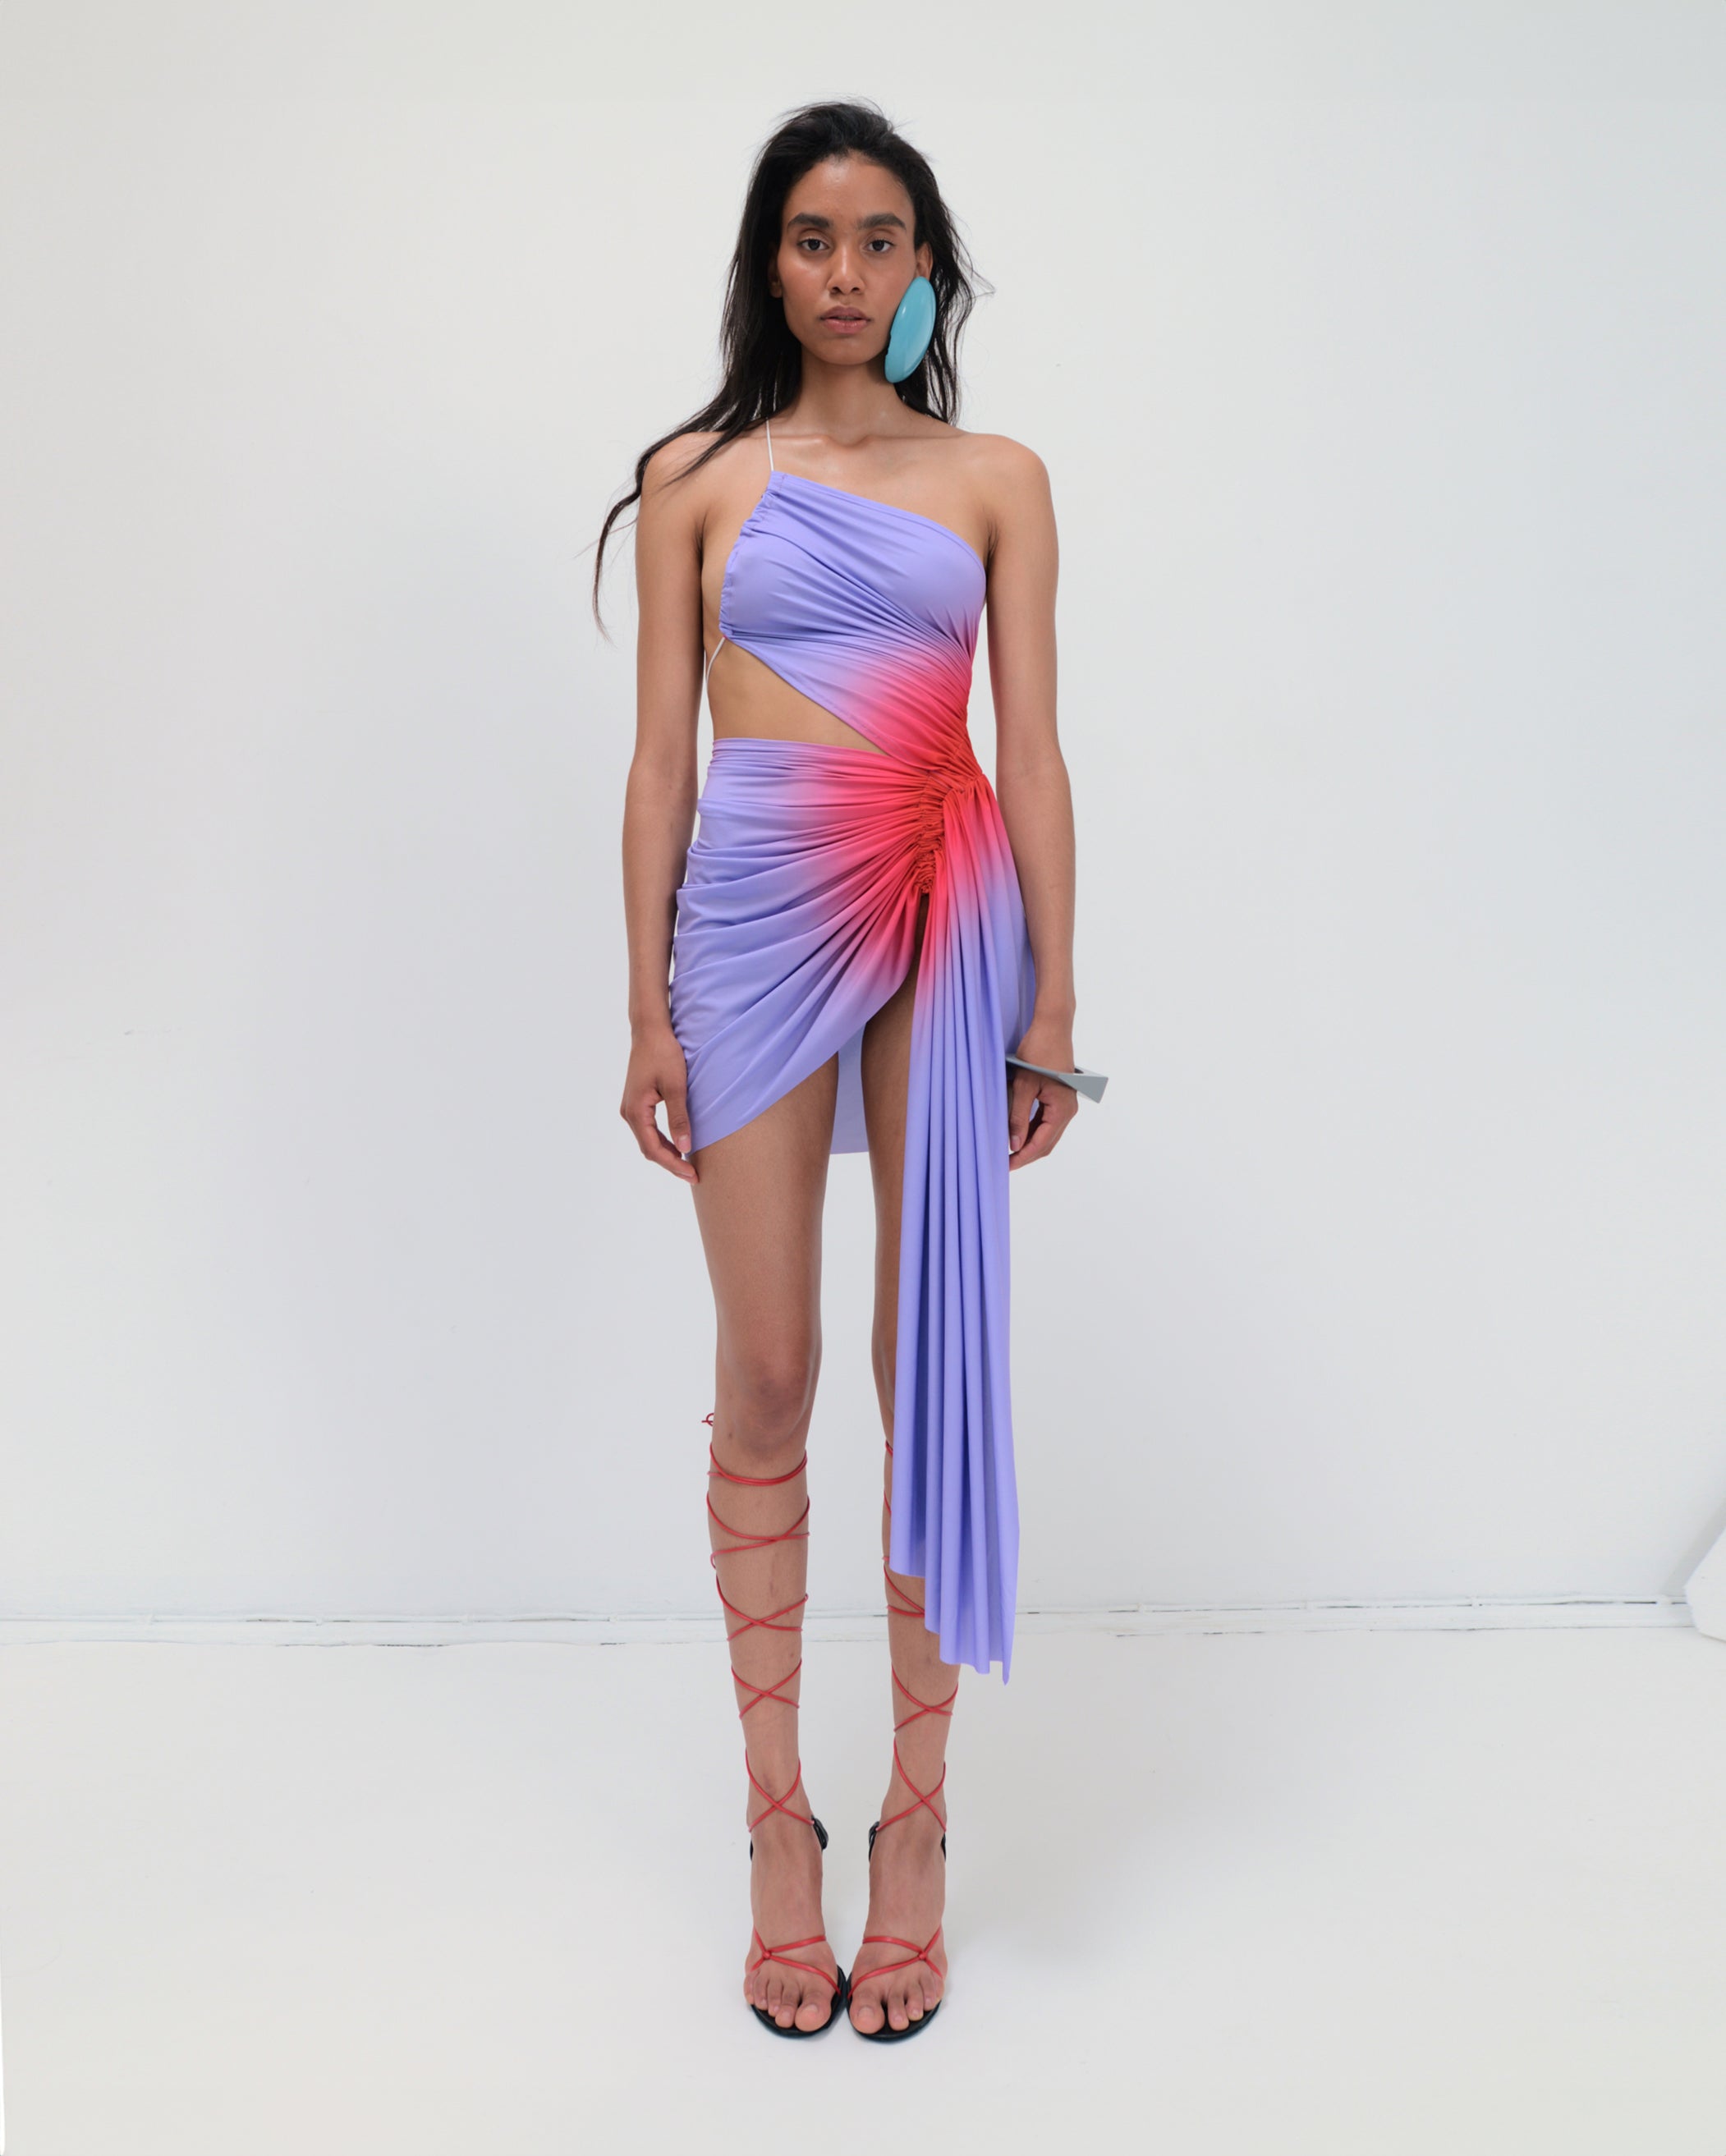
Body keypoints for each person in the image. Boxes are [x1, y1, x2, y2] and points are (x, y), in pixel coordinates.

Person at [601, 99, 1096, 2042]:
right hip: (748, 906)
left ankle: (915, 1819)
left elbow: (1032, 746)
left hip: (944, 896)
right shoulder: (694, 476)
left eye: (878, 237)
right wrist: (643, 1005)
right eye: (810, 237)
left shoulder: (997, 478)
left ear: (921, 268)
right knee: (769, 1366)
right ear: (768, 260)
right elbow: (662, 757)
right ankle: (771, 1817)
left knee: (922, 1360)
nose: (841, 269)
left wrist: (1055, 1003)